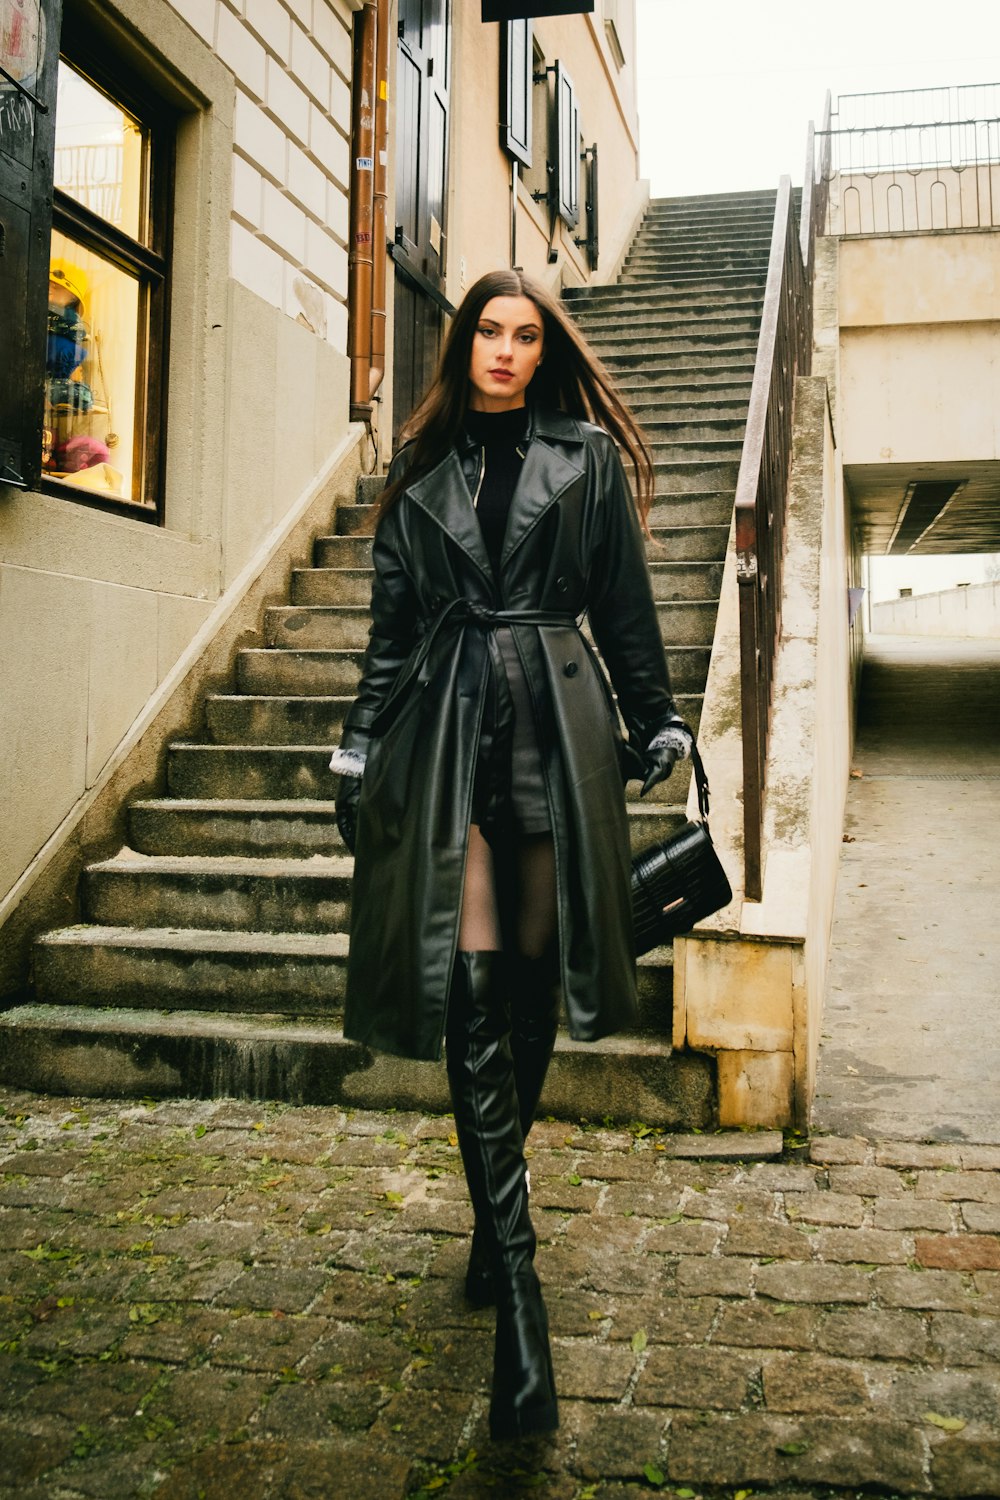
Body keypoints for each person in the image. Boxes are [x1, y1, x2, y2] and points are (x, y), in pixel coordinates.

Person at [330, 269, 692, 1441]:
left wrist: (659, 713)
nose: (503, 348)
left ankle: (491, 1226)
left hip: (553, 731)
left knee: (526, 989)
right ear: (463, 344)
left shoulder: (582, 462)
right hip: (445, 738)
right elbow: (389, 633)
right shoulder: (418, 472)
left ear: (543, 352)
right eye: (487, 330)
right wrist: (353, 748)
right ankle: (521, 1304)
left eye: (524, 335)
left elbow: (624, 603)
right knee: (480, 986)